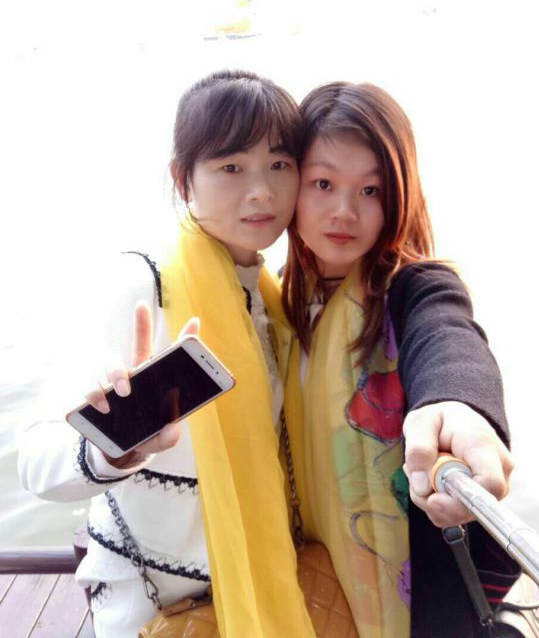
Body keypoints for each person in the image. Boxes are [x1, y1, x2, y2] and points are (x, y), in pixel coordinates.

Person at [18, 69, 317, 638]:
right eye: (231, 167)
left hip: (258, 585)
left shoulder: (274, 298)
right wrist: (119, 443)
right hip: (155, 608)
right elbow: (35, 462)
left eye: (280, 164)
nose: (262, 190)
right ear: (184, 179)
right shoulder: (143, 284)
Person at [280, 82, 519, 637]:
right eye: (323, 183)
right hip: (314, 580)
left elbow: (447, 334)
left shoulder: (413, 288)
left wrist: (458, 407)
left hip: (416, 600)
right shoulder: (279, 304)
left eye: (371, 190)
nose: (345, 211)